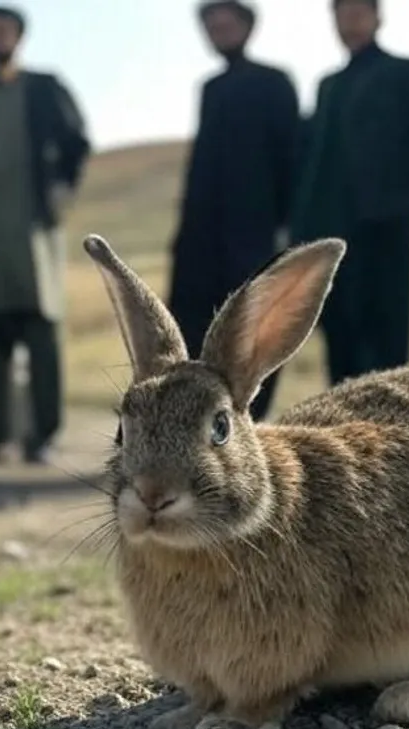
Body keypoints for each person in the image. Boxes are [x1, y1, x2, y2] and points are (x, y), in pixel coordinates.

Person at [0, 4, 91, 464]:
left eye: (3, 31)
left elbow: (78, 143)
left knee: (41, 335)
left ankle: (43, 436)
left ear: (18, 37)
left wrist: (61, 190)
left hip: (32, 233)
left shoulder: (44, 88)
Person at [167, 0, 301, 421]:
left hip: (254, 236)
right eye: (212, 26)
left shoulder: (275, 83)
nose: (220, 31)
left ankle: (248, 431)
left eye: (227, 24)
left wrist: (285, 231)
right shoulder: (210, 89)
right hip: (201, 239)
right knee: (189, 336)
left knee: (252, 339)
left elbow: (291, 161)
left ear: (247, 27)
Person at [290, 0, 409, 386]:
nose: (349, 24)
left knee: (386, 341)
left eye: (358, 14)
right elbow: (314, 165)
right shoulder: (328, 86)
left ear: (377, 17)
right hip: (332, 231)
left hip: (385, 225)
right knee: (340, 339)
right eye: (341, 15)